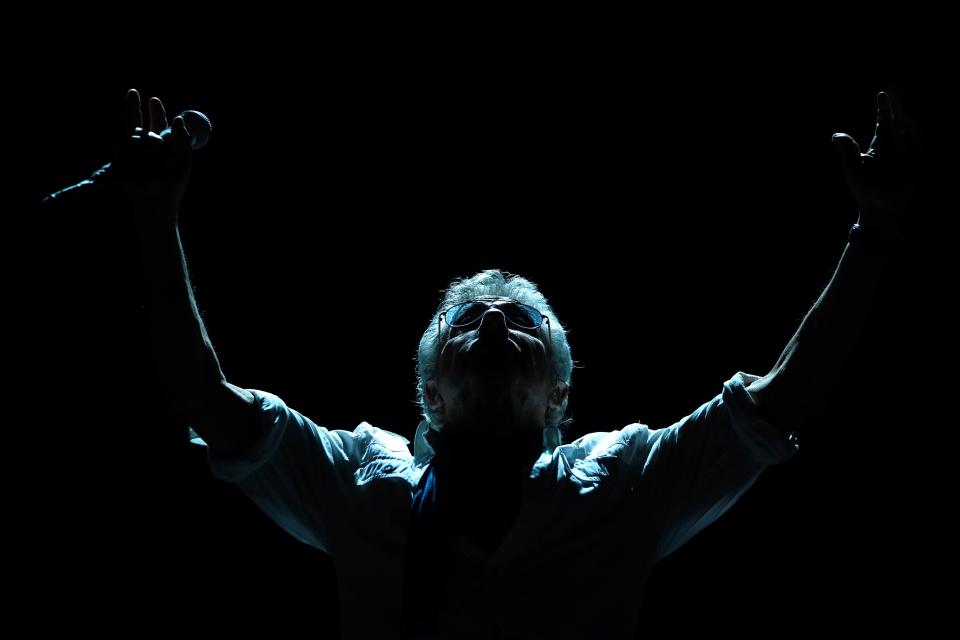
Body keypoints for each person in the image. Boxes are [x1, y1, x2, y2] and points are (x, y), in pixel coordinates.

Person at [45, 88, 920, 639]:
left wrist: (874, 233)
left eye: (526, 320)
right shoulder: (355, 474)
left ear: (559, 393)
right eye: (467, 315)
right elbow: (205, 397)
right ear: (426, 388)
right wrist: (155, 218)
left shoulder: (628, 478)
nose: (497, 313)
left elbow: (783, 401)